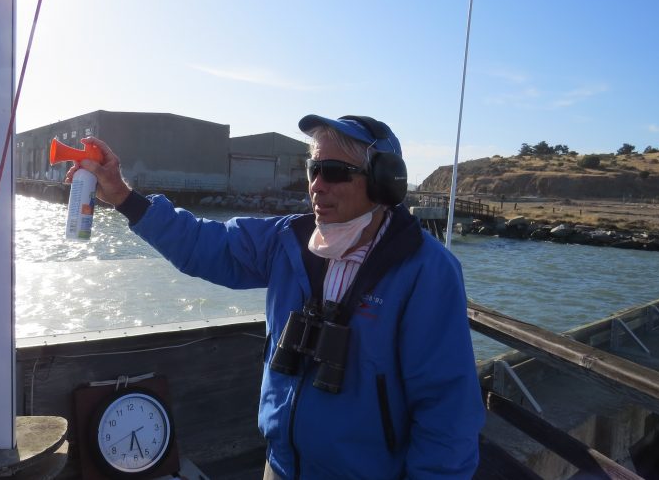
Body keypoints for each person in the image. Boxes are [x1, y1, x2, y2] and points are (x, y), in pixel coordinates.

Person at [68, 115, 485, 479]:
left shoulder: (426, 271)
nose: (317, 185)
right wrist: (122, 196)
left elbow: (448, 412)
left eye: (336, 172)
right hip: (282, 466)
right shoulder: (286, 240)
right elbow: (201, 243)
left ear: (382, 182)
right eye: (313, 168)